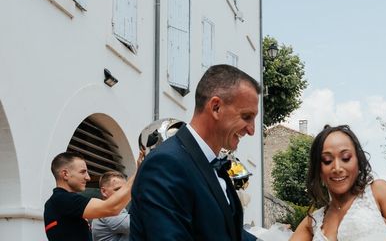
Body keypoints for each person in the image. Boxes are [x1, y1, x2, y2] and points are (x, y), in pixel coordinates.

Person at [130, 64, 260, 241]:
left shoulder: (211, 163)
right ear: (216, 107)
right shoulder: (166, 164)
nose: (252, 130)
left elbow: (225, 232)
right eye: (246, 117)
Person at [290, 124, 386, 240]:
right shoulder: (314, 220)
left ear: (358, 162)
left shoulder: (377, 192)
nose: (337, 168)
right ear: (318, 169)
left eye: (346, 158)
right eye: (327, 161)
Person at [44, 151, 140, 241]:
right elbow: (112, 208)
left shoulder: (55, 202)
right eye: (82, 172)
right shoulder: (63, 199)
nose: (88, 177)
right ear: (65, 174)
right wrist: (139, 172)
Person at [92, 171, 131, 241]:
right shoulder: (106, 211)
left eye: (124, 190)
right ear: (104, 192)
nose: (123, 193)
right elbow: (141, 223)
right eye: (118, 189)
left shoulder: (116, 209)